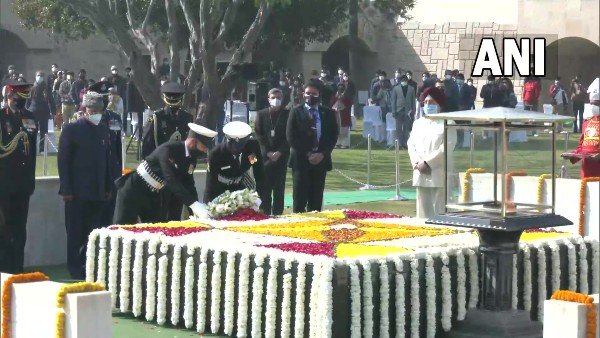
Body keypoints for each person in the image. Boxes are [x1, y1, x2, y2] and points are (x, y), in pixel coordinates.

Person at [58, 91, 114, 279]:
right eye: (95, 109)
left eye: (101, 109)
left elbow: (106, 160)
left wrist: (108, 187)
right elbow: (63, 161)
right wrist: (66, 189)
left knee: (93, 233)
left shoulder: (103, 129)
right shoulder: (72, 129)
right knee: (75, 232)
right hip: (76, 192)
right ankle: (75, 269)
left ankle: (89, 267)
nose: (98, 112)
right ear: (87, 109)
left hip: (97, 191)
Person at [114, 123, 217, 224]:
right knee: (122, 228)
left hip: (153, 194)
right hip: (134, 189)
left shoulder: (190, 158)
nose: (204, 152)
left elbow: (188, 183)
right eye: (204, 148)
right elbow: (170, 179)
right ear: (193, 142)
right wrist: (193, 204)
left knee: (153, 230)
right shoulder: (168, 149)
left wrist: (196, 208)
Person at [0, 81, 37, 273]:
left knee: (20, 229)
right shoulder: (1, 117)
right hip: (4, 184)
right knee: (3, 230)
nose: (20, 102)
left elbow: (32, 153)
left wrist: (30, 181)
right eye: (17, 98)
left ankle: (17, 267)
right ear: (9, 96)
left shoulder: (30, 118)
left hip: (22, 185)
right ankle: (4, 269)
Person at [286, 80, 339, 212]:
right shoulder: (296, 111)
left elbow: (333, 136)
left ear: (319, 94)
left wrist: (322, 154)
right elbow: (291, 137)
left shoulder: (328, 113)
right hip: (301, 160)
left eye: (313, 93)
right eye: (308, 93)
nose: (310, 96)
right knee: (299, 198)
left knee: (316, 199)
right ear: (303, 94)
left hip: (320, 161)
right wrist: (309, 154)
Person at [407, 87, 457, 219]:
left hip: (438, 172)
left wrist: (428, 163)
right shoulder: (418, 123)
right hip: (420, 172)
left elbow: (447, 147)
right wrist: (417, 162)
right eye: (426, 103)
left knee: (440, 211)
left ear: (439, 105)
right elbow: (411, 144)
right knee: (422, 213)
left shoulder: (448, 123)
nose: (428, 105)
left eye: (432, 103)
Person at [204, 121, 266, 203]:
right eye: (234, 148)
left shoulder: (252, 146)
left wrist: (260, 198)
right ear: (228, 140)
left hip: (242, 185)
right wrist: (209, 205)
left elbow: (259, 173)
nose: (237, 150)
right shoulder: (216, 154)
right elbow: (211, 183)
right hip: (221, 188)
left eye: (241, 147)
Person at [254, 89, 290, 215]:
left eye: (279, 97)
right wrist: (268, 152)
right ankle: (265, 213)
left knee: (279, 188)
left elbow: (290, 136)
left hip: (282, 157)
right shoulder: (261, 114)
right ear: (268, 99)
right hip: (265, 157)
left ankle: (278, 214)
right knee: (265, 188)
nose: (276, 99)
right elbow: (259, 135)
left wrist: (280, 152)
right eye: (273, 97)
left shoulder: (288, 114)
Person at [142, 82, 193, 158]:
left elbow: (192, 142)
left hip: (181, 161)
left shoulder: (187, 117)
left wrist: (192, 162)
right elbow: (148, 143)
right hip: (161, 160)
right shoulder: (156, 117)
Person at [564, 81, 600, 178]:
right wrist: (573, 155)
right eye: (592, 104)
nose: (593, 107)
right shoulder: (586, 122)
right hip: (586, 172)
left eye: (597, 104)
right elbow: (581, 147)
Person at [26, 71, 52, 154]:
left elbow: (51, 100)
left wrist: (52, 111)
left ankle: (42, 149)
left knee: (44, 132)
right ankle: (31, 148)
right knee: (31, 131)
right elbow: (27, 100)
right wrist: (25, 111)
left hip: (44, 112)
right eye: (38, 75)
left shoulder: (46, 87)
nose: (40, 77)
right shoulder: (31, 87)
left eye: (41, 76)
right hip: (32, 112)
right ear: (35, 76)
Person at [392, 75, 416, 148]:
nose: (404, 81)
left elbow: (413, 101)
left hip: (408, 111)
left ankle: (405, 143)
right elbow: (393, 101)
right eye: (402, 80)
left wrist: (413, 111)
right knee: (398, 128)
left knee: (406, 128)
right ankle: (399, 143)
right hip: (398, 111)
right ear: (400, 81)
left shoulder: (411, 89)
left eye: (405, 80)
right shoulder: (396, 88)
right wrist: (393, 111)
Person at [331, 83, 353, 149]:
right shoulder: (334, 96)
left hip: (344, 115)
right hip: (336, 114)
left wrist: (342, 100)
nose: (340, 89)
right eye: (339, 87)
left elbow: (349, 104)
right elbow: (331, 103)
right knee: (337, 129)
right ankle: (337, 143)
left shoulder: (347, 96)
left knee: (344, 130)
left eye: (342, 87)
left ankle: (345, 144)